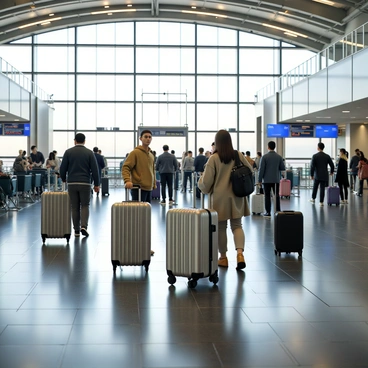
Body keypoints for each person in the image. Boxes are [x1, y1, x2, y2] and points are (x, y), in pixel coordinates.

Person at [198, 130, 251, 270]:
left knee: (221, 228)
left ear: (217, 142)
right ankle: (240, 255)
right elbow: (250, 169)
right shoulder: (238, 154)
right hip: (237, 195)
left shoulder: (214, 158)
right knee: (237, 226)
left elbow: (206, 183)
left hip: (219, 198)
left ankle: (223, 258)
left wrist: (200, 184)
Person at [59, 133, 100, 238]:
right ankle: (84, 226)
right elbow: (95, 170)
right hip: (85, 183)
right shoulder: (89, 153)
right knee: (85, 205)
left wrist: (63, 178)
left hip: (72, 183)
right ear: (84, 141)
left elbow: (62, 168)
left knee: (74, 207)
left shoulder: (68, 152)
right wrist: (97, 184)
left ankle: (76, 230)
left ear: (75, 140)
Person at [122, 129, 156, 203]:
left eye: (150, 137)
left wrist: (154, 184)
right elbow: (126, 167)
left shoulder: (151, 155)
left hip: (149, 188)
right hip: (138, 188)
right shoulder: (135, 153)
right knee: (137, 213)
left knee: (147, 212)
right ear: (140, 138)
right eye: (146, 137)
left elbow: (152, 170)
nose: (148, 139)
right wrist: (127, 180)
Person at [257, 141, 285, 217]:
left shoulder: (264, 157)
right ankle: (278, 211)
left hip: (266, 180)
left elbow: (261, 169)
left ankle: (268, 212)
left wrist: (259, 180)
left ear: (268, 147)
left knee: (267, 196)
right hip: (276, 179)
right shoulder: (279, 157)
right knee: (276, 196)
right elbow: (282, 168)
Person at [309, 142, 335, 206]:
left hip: (317, 175)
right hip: (324, 175)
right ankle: (321, 202)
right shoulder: (327, 156)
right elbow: (332, 165)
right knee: (322, 188)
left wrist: (311, 175)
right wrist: (331, 172)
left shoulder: (314, 156)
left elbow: (312, 166)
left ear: (318, 147)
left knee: (315, 187)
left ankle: (313, 198)